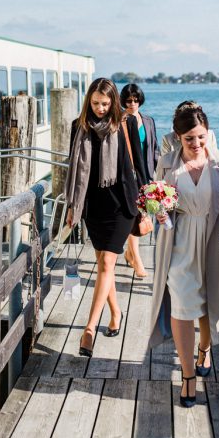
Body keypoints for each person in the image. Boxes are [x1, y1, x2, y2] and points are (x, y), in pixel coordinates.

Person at [149, 103, 219, 408]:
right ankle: (188, 375)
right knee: (182, 303)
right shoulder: (166, 163)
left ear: (208, 133)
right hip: (179, 241)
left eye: (201, 137)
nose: (196, 143)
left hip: (215, 238)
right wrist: (159, 213)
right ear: (178, 136)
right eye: (189, 138)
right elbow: (157, 202)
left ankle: (205, 349)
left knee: (208, 305)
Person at [65, 78, 147, 358]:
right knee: (103, 264)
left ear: (113, 102)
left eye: (106, 103)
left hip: (120, 204)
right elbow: (73, 169)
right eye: (96, 103)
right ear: (89, 100)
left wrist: (147, 204)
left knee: (107, 263)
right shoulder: (78, 127)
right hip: (93, 206)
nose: (100, 108)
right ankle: (116, 312)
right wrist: (71, 207)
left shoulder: (126, 124)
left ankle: (89, 329)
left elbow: (140, 164)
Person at [120, 83, 157, 279]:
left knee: (142, 213)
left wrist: (158, 174)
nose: (132, 103)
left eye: (135, 100)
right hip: (129, 176)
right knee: (135, 214)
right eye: (128, 100)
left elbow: (155, 148)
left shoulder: (148, 121)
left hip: (146, 175)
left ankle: (129, 253)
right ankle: (137, 259)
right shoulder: (121, 121)